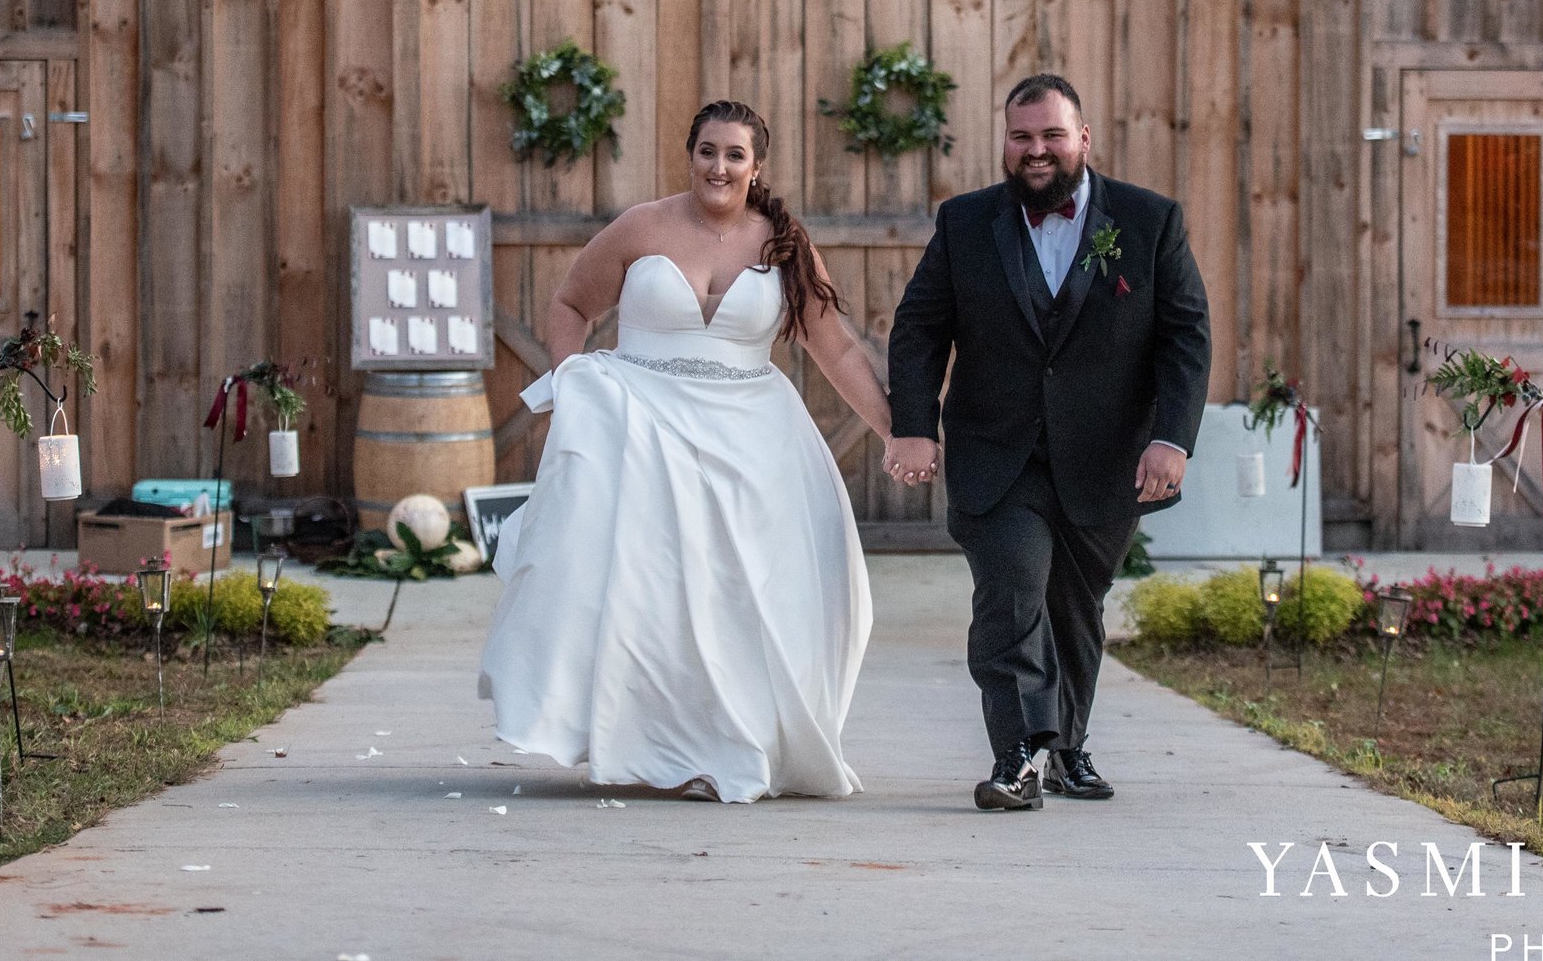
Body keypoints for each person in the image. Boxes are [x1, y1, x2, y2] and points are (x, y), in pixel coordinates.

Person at [477, 100, 902, 802]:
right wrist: (572, 380)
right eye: (707, 149)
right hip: (640, 423)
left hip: (751, 434)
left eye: (734, 154)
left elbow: (836, 348)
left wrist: (893, 429)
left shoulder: (782, 241)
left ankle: (735, 740)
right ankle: (652, 740)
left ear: (755, 165)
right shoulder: (642, 225)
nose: (719, 165)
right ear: (690, 152)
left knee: (739, 594)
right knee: (650, 592)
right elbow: (569, 307)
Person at [886, 73, 1210, 810]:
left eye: (1052, 135)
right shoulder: (966, 222)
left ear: (1083, 139)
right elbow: (920, 328)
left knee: (1074, 607)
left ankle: (1066, 747)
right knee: (1012, 592)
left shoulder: (1148, 220)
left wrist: (1173, 438)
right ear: (1005, 142)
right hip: (995, 453)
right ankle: (1018, 754)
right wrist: (913, 424)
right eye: (1022, 136)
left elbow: (1185, 335)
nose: (1036, 150)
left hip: (1106, 457)